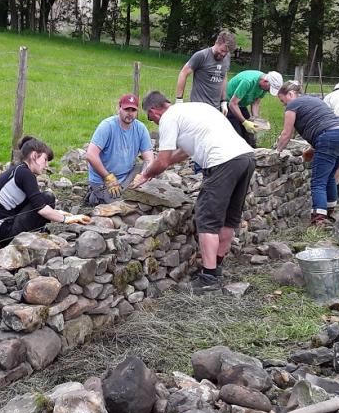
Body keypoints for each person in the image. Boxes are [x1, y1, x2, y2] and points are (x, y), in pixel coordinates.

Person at [131, 92, 255, 289]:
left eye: (150, 117)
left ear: (154, 111)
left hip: (222, 162)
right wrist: (158, 163)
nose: (153, 122)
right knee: (229, 218)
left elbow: (162, 161)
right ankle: (216, 266)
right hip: (246, 157)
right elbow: (184, 152)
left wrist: (146, 174)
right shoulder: (195, 109)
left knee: (206, 220)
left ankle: (209, 278)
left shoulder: (168, 118)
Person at [0, 136, 89, 247]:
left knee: (46, 198)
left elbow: (32, 203)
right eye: (45, 160)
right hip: (4, 234)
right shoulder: (26, 174)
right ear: (34, 156)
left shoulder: (19, 170)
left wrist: (59, 213)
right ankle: (36, 236)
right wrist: (67, 219)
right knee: (47, 198)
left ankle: (37, 233)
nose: (47, 166)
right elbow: (41, 208)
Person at [274, 81, 339, 226]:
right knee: (329, 176)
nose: (283, 105)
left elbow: (286, 134)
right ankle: (330, 211)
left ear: (290, 94)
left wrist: (276, 152)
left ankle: (319, 221)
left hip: (329, 137)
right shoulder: (315, 100)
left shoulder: (293, 105)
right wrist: (314, 147)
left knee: (318, 182)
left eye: (282, 100)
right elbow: (322, 122)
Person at [85, 94, 154, 206]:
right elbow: (90, 155)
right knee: (117, 203)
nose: (130, 113)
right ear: (119, 108)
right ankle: (95, 195)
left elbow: (149, 159)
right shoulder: (107, 126)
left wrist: (142, 175)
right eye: (126, 109)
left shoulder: (140, 128)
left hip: (127, 175)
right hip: (103, 179)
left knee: (153, 170)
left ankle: (129, 192)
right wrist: (108, 178)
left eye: (133, 110)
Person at [175, 30, 237, 112]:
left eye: (226, 52)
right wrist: (179, 99)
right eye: (222, 50)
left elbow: (223, 76)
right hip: (199, 107)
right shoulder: (202, 56)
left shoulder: (226, 57)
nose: (223, 54)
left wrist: (224, 101)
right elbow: (183, 73)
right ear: (216, 43)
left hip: (215, 109)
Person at [225, 70, 283, 147]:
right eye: (269, 89)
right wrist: (245, 122)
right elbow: (232, 104)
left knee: (250, 135)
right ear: (265, 81)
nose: (269, 91)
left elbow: (256, 103)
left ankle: (251, 153)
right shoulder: (247, 81)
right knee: (237, 134)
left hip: (240, 105)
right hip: (227, 103)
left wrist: (256, 120)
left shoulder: (264, 87)